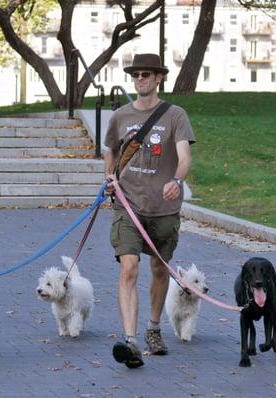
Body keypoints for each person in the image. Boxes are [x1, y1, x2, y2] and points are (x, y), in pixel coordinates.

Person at [104, 53, 196, 368]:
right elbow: (111, 151)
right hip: (128, 206)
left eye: (146, 74)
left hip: (164, 209)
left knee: (159, 269)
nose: (140, 79)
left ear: (158, 78)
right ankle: (130, 342)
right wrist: (110, 178)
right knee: (128, 268)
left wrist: (177, 179)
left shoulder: (175, 116)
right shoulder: (119, 116)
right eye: (136, 75)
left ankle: (153, 329)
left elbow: (184, 157)